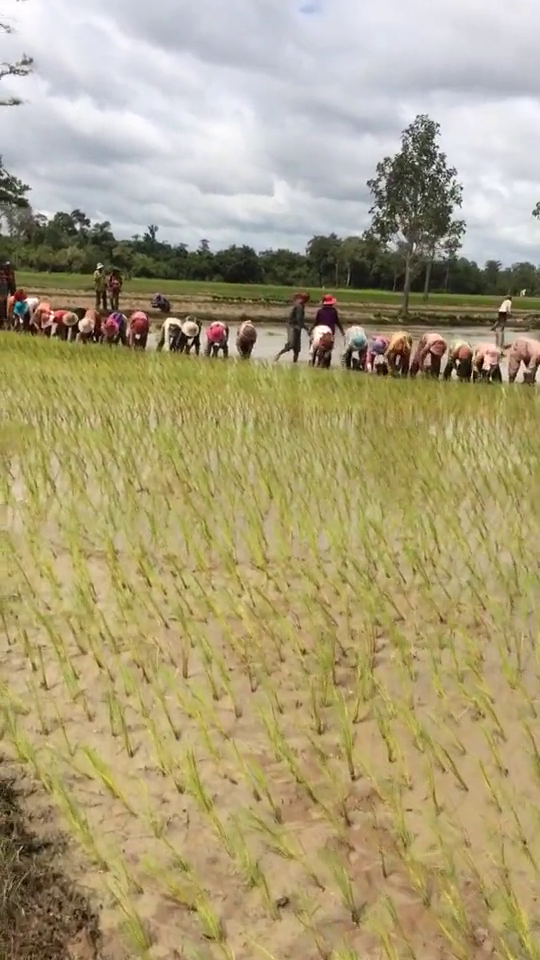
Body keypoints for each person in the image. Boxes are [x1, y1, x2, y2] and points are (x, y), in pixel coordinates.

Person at [274, 292, 310, 363]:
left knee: (296, 347)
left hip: (295, 326)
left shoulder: (299, 305)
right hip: (293, 327)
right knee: (292, 344)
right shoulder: (299, 306)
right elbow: (299, 319)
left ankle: (294, 362)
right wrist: (306, 329)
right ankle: (279, 355)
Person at [0, 259, 16, 328]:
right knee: (3, 302)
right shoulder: (4, 273)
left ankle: (5, 317)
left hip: (8, 286)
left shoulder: (11, 272)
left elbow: (12, 280)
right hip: (5, 287)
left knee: (5, 301)